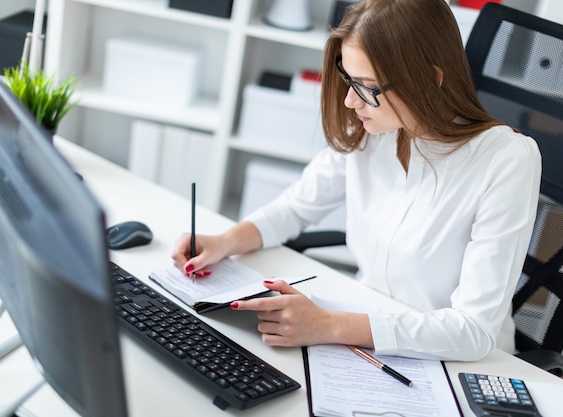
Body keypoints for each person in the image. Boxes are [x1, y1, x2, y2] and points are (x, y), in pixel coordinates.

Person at [171, 0, 541, 361]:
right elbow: (296, 207)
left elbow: (473, 332)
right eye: (350, 80)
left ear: (430, 79)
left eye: (366, 86)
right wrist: (223, 242)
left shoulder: (507, 160)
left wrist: (329, 325)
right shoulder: (374, 129)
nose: (350, 100)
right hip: (367, 337)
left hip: (453, 364)